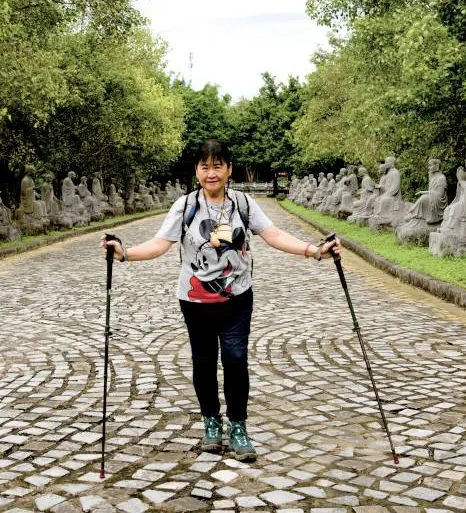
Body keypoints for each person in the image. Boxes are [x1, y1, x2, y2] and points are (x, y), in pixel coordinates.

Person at [101, 140, 341, 462]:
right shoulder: (185, 206)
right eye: (204, 166)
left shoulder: (243, 203)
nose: (210, 173)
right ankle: (211, 421)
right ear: (196, 171)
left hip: (237, 298)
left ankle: (238, 426)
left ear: (229, 169)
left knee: (235, 359)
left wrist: (314, 251)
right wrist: (125, 253)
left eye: (217, 166)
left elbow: (275, 235)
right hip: (195, 300)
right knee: (203, 362)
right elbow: (160, 244)